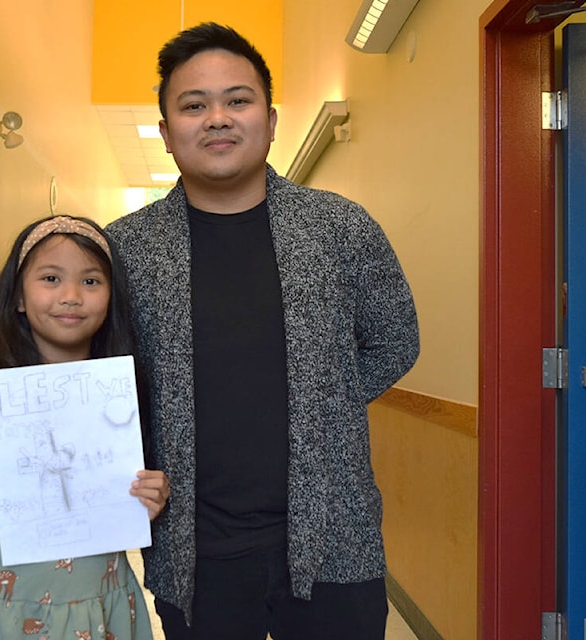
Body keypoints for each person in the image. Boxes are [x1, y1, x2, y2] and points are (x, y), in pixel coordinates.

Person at [105, 22, 420, 640]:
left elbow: (395, 339)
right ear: (167, 134)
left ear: (271, 120)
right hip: (195, 551)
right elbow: (106, 374)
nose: (217, 117)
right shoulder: (127, 250)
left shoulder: (339, 229)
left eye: (238, 100)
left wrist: (319, 407)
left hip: (336, 539)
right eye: (193, 106)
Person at [0, 215, 169, 639]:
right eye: (51, 278)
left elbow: (126, 491)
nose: (71, 296)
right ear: (18, 296)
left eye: (91, 282)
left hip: (105, 607)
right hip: (8, 615)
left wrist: (149, 498)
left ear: (110, 299)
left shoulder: (120, 403)